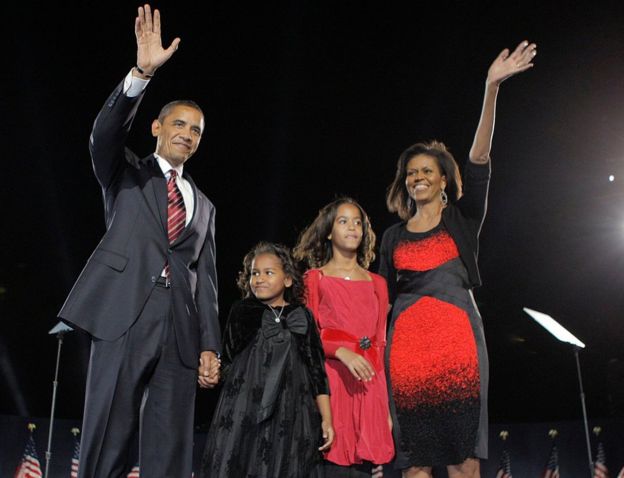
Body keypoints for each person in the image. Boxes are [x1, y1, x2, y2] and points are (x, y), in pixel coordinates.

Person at [57, 5, 220, 477]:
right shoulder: (125, 172)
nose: (187, 135)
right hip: (124, 313)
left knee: (170, 443)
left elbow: (205, 282)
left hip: (180, 327)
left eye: (196, 131)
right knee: (110, 427)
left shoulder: (204, 205)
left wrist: (210, 345)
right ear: (157, 127)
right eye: (179, 124)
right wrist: (141, 75)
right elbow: (101, 137)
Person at [378, 41, 537, 478]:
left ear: (444, 179)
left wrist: (491, 88)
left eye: (427, 170)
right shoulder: (391, 237)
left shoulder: (463, 220)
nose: (418, 177)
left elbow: (480, 157)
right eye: (411, 172)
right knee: (415, 465)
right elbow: (380, 302)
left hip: (458, 345)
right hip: (408, 350)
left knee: (463, 460)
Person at [200, 242, 334, 477]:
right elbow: (229, 359)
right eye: (254, 273)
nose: (259, 279)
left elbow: (316, 370)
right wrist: (213, 373)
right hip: (246, 408)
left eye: (268, 272)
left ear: (288, 279)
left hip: (291, 410)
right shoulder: (241, 311)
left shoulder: (302, 316)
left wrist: (327, 419)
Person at [294, 198, 394, 477]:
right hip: (331, 385)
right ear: (328, 231)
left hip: (368, 388)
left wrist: (383, 410)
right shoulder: (314, 279)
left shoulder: (378, 284)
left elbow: (379, 345)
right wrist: (341, 351)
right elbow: (306, 339)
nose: (352, 227)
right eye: (343, 221)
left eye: (357, 222)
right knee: (330, 464)